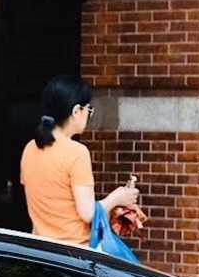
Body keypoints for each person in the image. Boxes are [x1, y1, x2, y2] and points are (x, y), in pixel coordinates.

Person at [20, 75, 139, 246]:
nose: (89, 115)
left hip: (40, 250)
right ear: (76, 111)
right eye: (88, 109)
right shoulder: (77, 152)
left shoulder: (30, 148)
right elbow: (88, 213)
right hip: (74, 254)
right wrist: (118, 197)